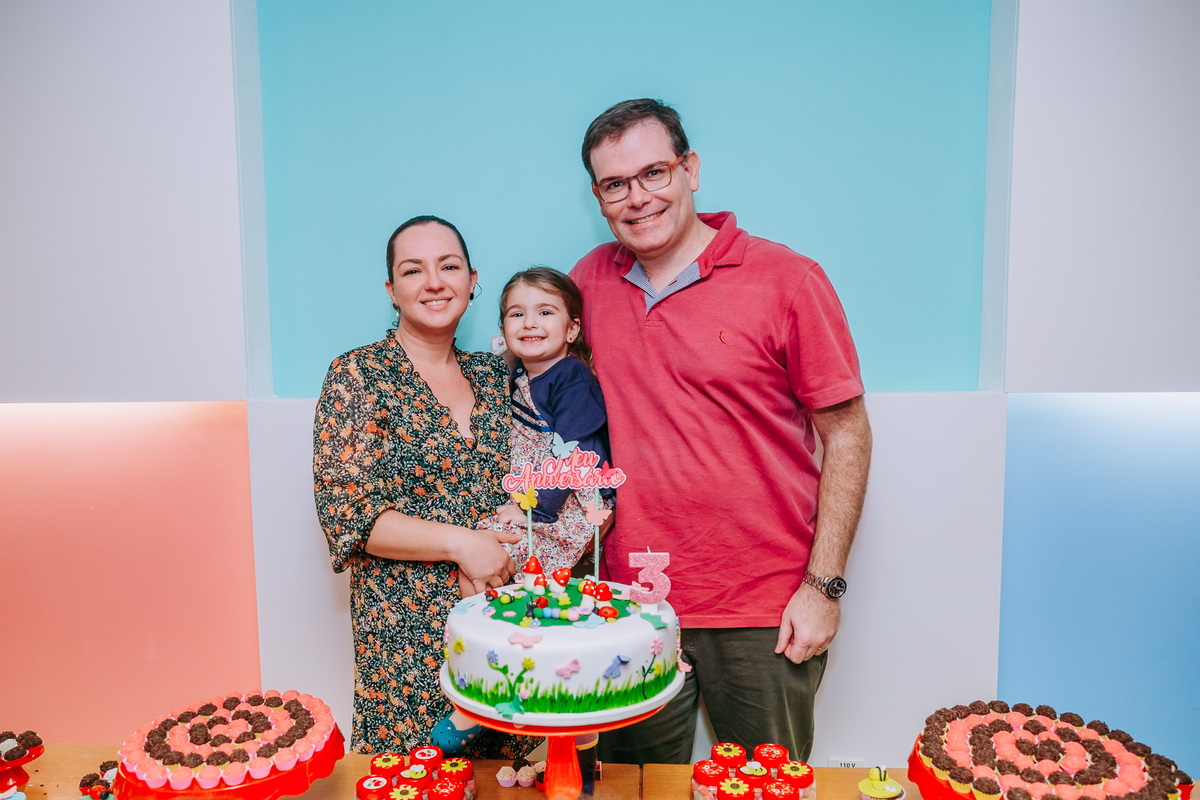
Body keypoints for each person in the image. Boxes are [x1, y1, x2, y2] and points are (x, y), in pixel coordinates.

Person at [570, 99, 873, 764]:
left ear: (691, 169)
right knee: (633, 788)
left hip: (763, 608)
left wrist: (823, 588)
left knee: (766, 787)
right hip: (630, 609)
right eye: (615, 184)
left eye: (654, 173)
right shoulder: (587, 284)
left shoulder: (788, 279)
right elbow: (549, 410)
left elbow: (848, 435)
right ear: (598, 197)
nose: (638, 198)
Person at [312, 215, 537, 759]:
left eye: (449, 266)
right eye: (414, 270)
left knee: (510, 781)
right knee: (415, 780)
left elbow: (537, 467)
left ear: (472, 279)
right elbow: (348, 515)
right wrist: (465, 543)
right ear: (392, 290)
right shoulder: (358, 375)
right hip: (406, 637)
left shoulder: (495, 374)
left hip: (500, 622)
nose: (434, 282)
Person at [434, 266, 614, 753]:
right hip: (529, 497)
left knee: (533, 593)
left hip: (566, 501)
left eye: (545, 312)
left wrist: (533, 508)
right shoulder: (520, 370)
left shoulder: (571, 377)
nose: (529, 323)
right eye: (517, 314)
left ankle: (563, 701)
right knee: (477, 573)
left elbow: (579, 451)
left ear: (572, 329)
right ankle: (488, 686)